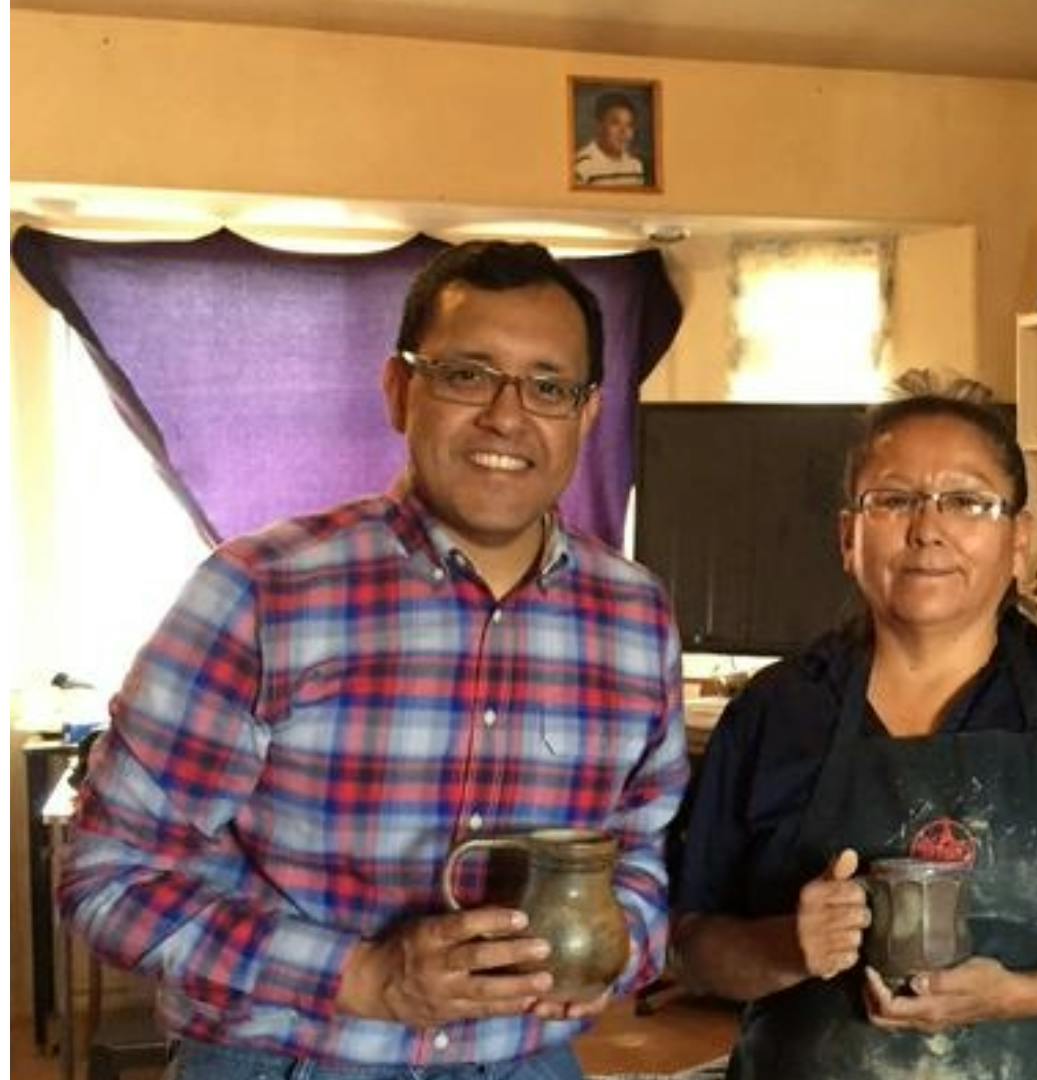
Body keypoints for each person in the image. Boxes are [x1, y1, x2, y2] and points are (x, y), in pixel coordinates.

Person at [57, 241, 688, 1078]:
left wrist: (609, 953)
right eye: (468, 374)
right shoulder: (260, 593)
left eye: (548, 386)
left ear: (588, 411)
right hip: (290, 1059)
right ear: (400, 389)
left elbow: (639, 856)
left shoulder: (635, 618)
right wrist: (363, 977)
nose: (508, 415)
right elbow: (111, 876)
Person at [671, 395, 1037, 1078]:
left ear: (1019, 539)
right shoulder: (775, 713)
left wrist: (1020, 997)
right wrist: (784, 949)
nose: (928, 529)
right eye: (893, 500)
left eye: (967, 502)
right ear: (847, 537)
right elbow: (688, 941)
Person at [573, 92, 649, 187]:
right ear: (599, 126)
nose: (624, 132)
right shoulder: (581, 165)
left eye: (629, 125)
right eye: (615, 123)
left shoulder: (635, 165)